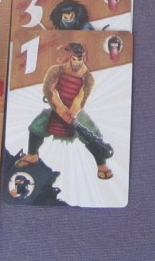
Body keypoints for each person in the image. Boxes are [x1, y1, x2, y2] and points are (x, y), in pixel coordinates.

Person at [16, 43, 112, 179]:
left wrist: (71, 114)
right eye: (74, 59)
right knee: (37, 125)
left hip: (74, 112)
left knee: (92, 131)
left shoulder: (88, 78)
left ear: (84, 58)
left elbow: (81, 98)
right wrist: (60, 109)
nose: (77, 62)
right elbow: (49, 90)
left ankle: (102, 164)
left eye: (80, 59)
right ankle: (32, 155)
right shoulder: (56, 70)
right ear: (70, 57)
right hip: (57, 107)